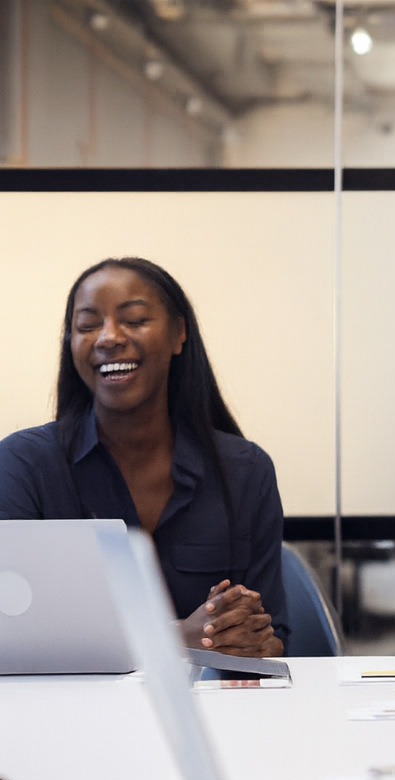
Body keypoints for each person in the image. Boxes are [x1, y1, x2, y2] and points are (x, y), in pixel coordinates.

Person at [0, 257, 287, 657]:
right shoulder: (24, 464)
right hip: (71, 711)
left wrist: (253, 642)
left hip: (216, 711)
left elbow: (272, 634)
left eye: (134, 320)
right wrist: (179, 638)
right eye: (87, 325)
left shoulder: (245, 470)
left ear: (178, 334)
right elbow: (14, 634)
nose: (109, 337)